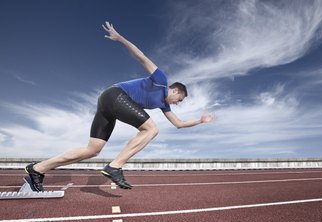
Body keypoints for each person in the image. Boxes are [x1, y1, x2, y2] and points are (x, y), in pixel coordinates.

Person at [25, 22, 214, 191]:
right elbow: (141, 57)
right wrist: (120, 38)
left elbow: (179, 124)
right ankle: (115, 166)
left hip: (108, 105)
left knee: (92, 150)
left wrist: (200, 120)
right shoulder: (161, 80)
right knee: (151, 129)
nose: (178, 103)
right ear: (174, 91)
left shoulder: (162, 106)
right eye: (179, 99)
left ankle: (37, 169)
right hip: (115, 95)